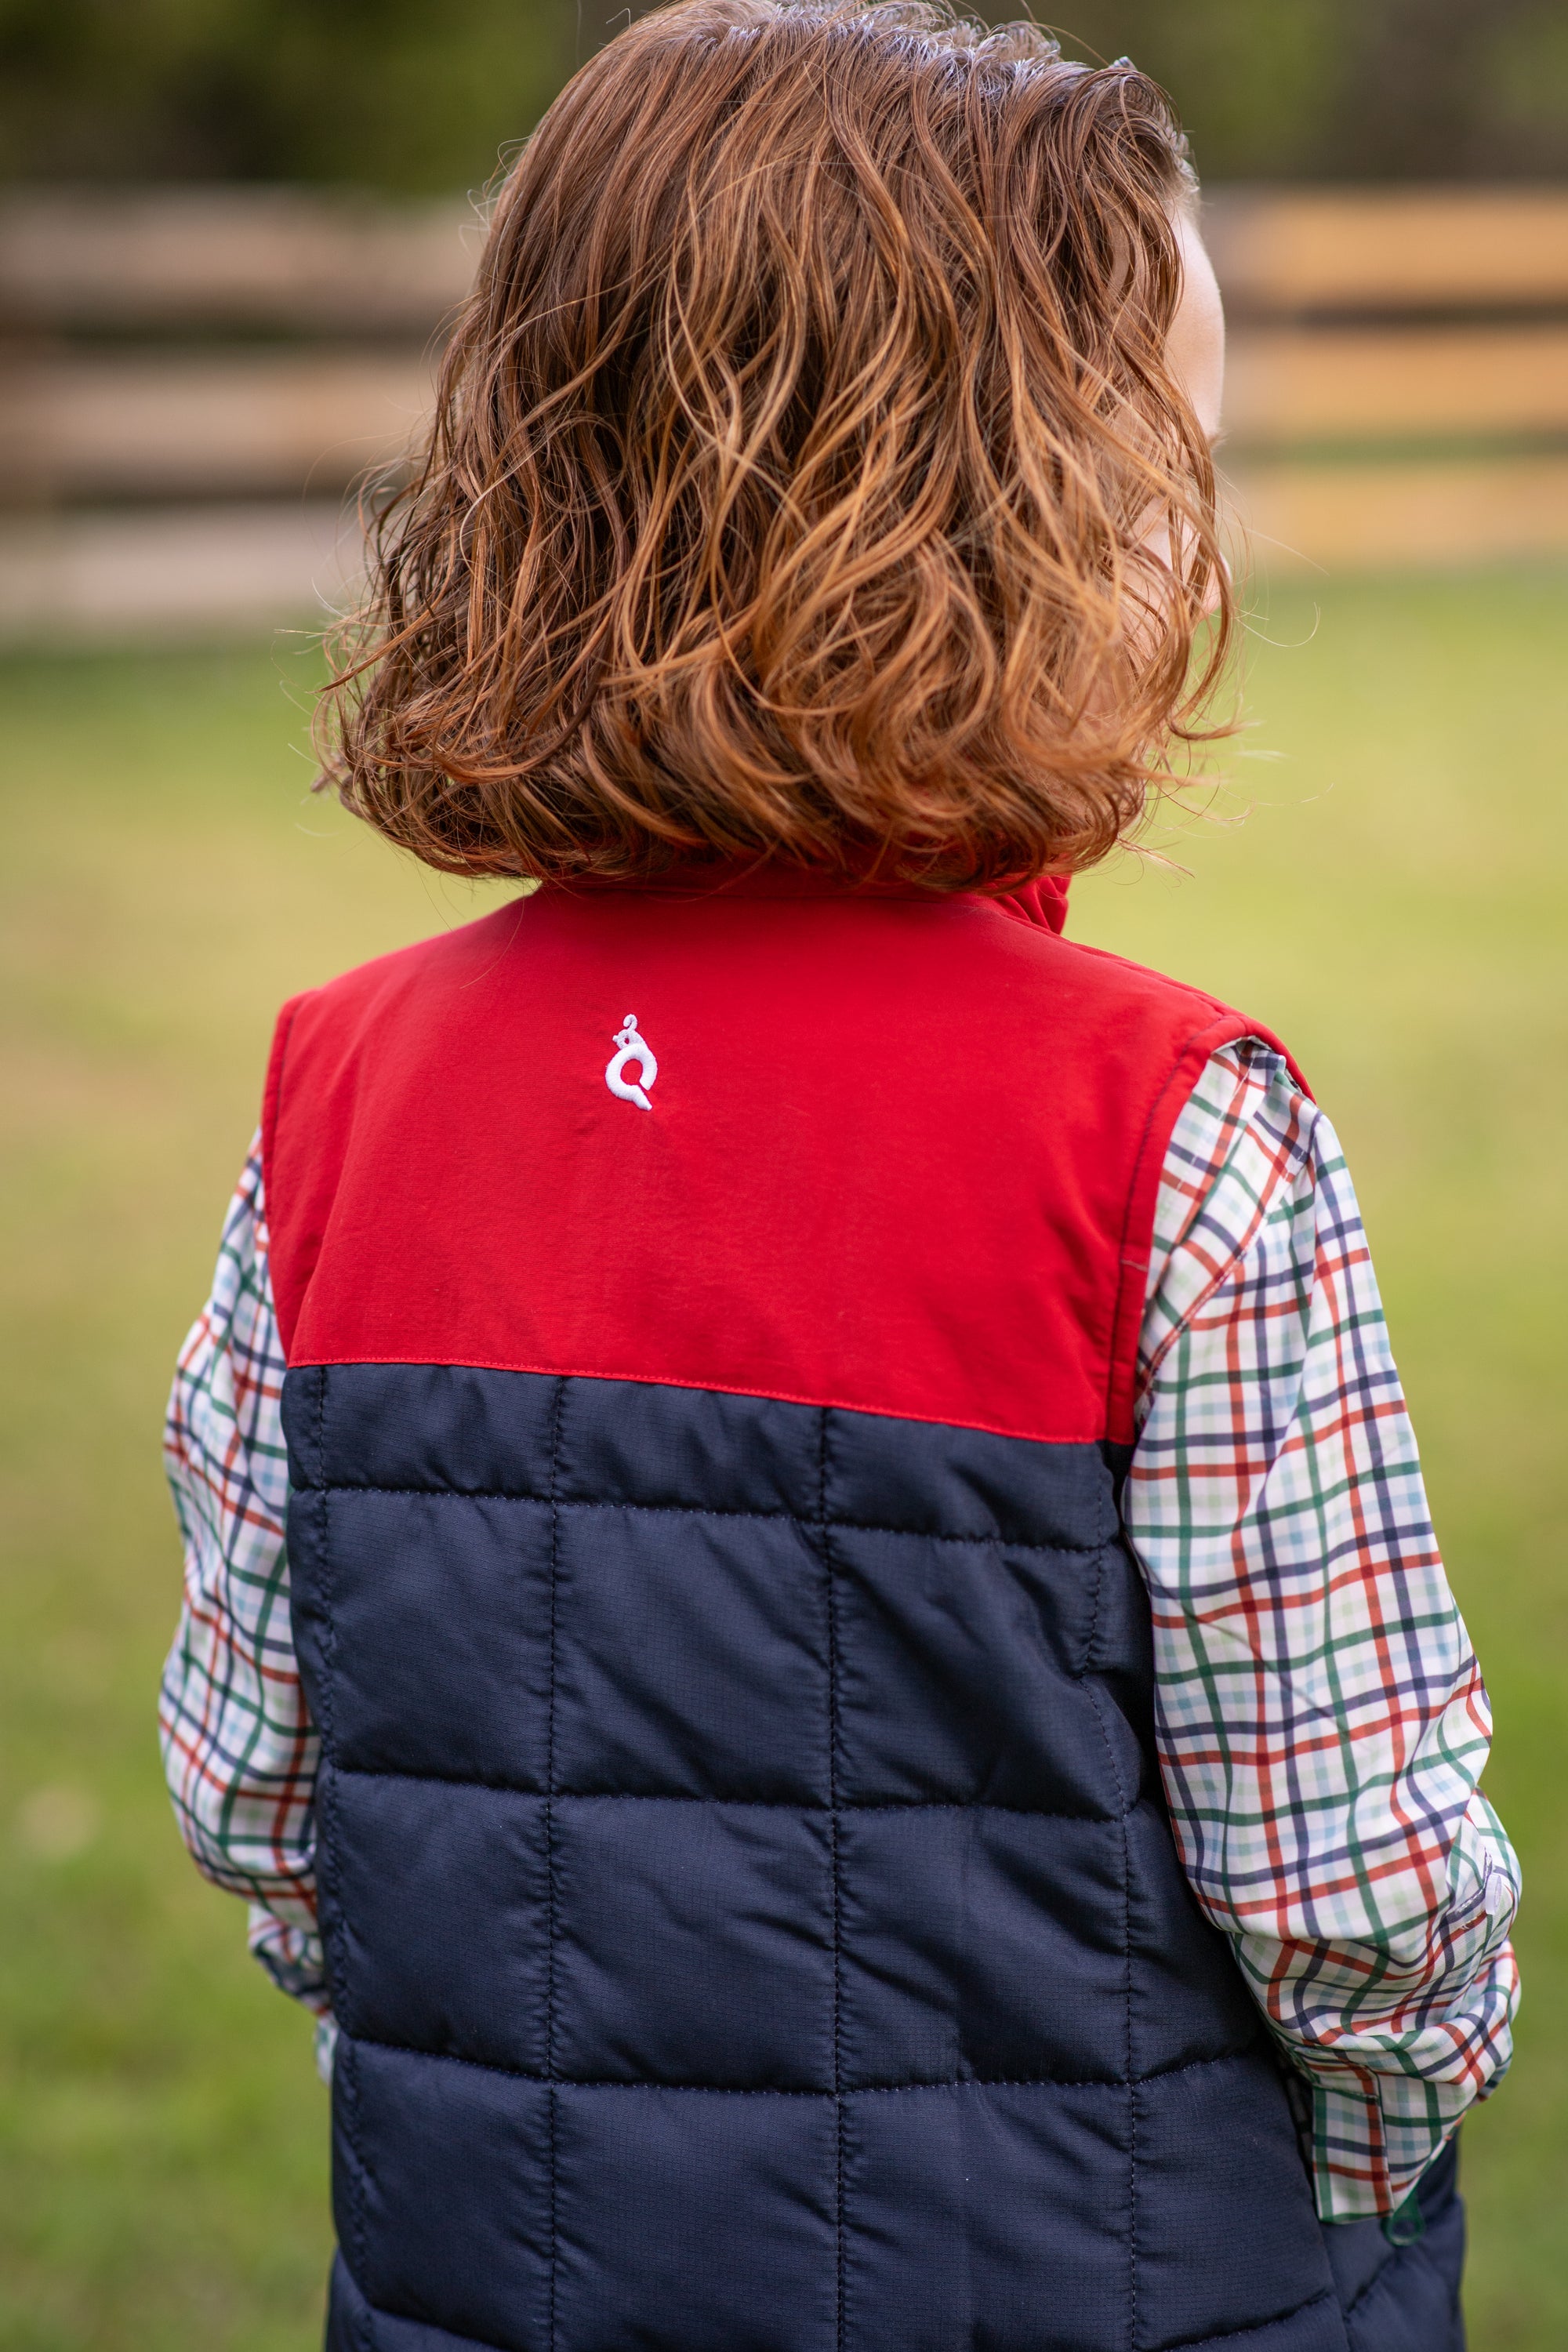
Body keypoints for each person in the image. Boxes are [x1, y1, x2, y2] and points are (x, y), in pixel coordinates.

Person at [158, 5, 1519, 2347]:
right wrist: (1373, 2175)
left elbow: (263, 1795)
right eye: (1163, 467)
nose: (1201, 541)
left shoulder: (341, 1098)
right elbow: (1360, 1894)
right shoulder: (1177, 1133)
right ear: (971, 523)